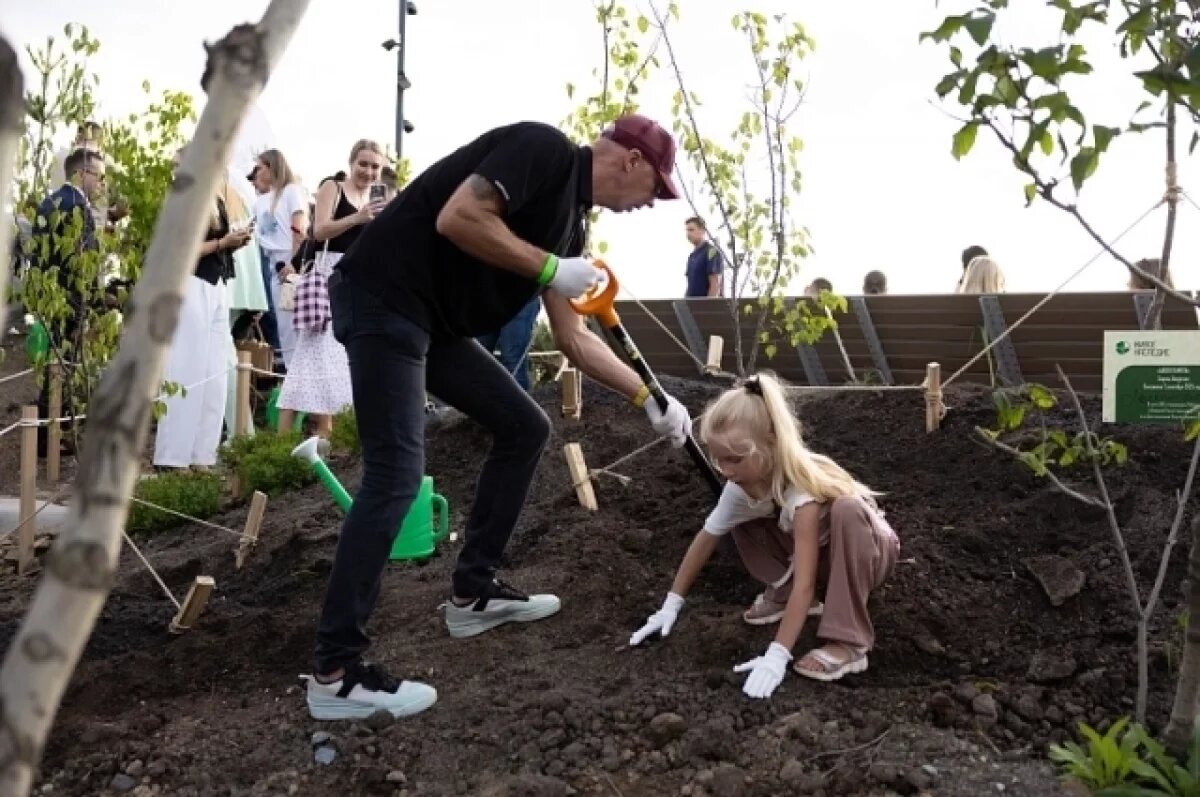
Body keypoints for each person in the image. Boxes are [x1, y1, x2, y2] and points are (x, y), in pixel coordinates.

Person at [305, 113, 694, 721]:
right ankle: (335, 672)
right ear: (631, 161)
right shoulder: (541, 150)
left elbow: (573, 339)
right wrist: (547, 268)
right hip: (384, 295)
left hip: (430, 323)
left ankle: (472, 591)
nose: (651, 205)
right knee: (396, 473)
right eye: (656, 190)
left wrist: (651, 400)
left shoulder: (571, 226)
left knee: (526, 426)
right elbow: (458, 216)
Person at [629, 372, 900, 699]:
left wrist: (777, 655)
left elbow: (806, 582)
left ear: (771, 444)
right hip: (822, 561)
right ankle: (783, 593)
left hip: (868, 554)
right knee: (739, 518)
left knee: (846, 509)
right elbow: (705, 538)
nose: (725, 469)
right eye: (719, 459)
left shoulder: (802, 489)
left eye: (735, 459)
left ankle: (849, 642)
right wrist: (670, 605)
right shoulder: (740, 487)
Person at [277, 140, 387, 437]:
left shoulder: (376, 198)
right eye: (363, 164)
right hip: (328, 279)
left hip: (357, 282)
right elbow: (318, 230)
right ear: (351, 163)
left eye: (375, 166)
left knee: (337, 362)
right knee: (315, 357)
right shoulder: (333, 188)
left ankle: (324, 436)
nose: (368, 171)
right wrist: (357, 217)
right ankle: (304, 437)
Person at [154, 151, 253, 469]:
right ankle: (173, 456)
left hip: (218, 285)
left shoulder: (217, 198)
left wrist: (235, 241)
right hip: (191, 284)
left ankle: (202, 455)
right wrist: (223, 244)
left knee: (214, 375)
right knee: (187, 369)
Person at [684, 216, 722, 297]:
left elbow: (715, 284)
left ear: (702, 231)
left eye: (691, 230)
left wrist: (709, 307)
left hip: (704, 307)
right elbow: (690, 286)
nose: (688, 234)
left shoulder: (711, 252)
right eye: (687, 230)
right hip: (692, 305)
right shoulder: (692, 256)